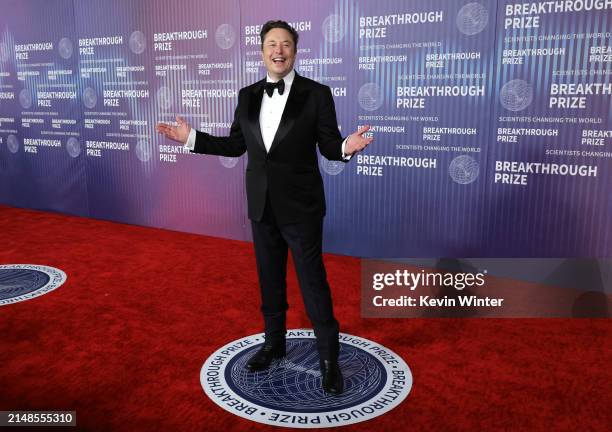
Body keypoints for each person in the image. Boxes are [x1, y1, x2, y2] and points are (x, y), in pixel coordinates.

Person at [156, 20, 373, 395]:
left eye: (285, 44)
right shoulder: (247, 95)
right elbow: (235, 145)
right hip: (261, 205)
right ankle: (273, 344)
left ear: (294, 50)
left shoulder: (317, 94)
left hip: (301, 207)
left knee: (313, 283)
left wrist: (345, 148)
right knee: (269, 280)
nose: (278, 50)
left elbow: (328, 145)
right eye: (271, 43)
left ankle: (328, 358)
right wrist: (189, 138)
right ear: (261, 52)